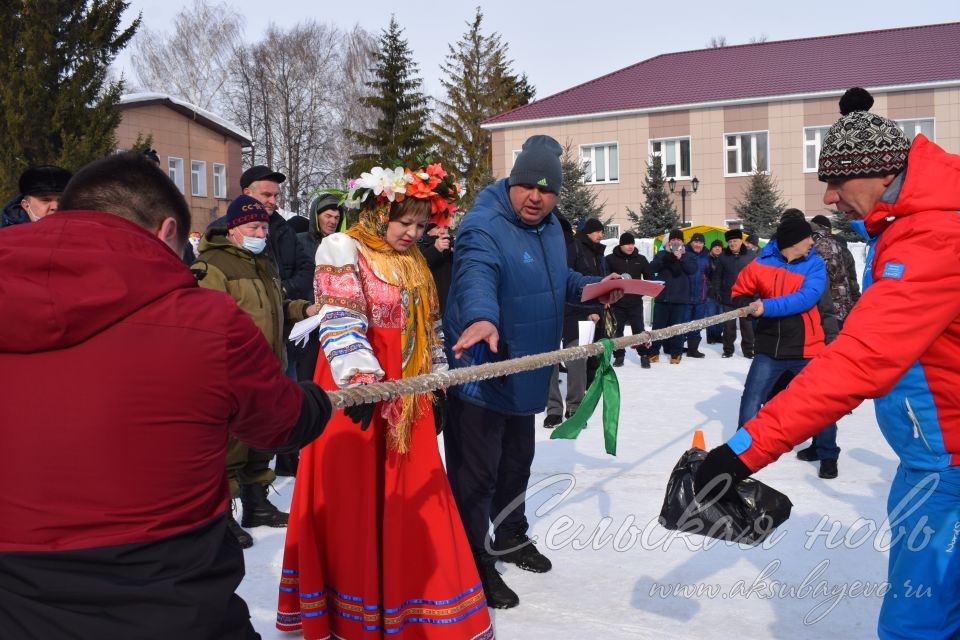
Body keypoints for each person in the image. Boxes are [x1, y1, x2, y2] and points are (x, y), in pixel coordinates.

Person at [0, 151, 332, 639]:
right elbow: (278, 422)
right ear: (165, 231)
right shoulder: (207, 321)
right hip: (166, 590)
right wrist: (317, 401)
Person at [694, 86, 960, 639]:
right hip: (932, 455)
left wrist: (741, 452)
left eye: (836, 181)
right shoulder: (916, 217)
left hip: (948, 465)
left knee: (918, 621)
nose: (831, 197)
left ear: (878, 173)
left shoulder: (933, 236)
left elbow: (859, 362)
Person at [276, 162, 494, 639]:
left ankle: (415, 601)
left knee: (415, 493)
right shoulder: (343, 247)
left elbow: (428, 323)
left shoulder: (414, 260)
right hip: (358, 385)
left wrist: (436, 376)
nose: (413, 232)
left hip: (406, 393)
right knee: (354, 498)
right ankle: (352, 604)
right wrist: (360, 379)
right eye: (405, 222)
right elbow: (339, 315)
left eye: (421, 224)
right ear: (379, 211)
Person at [443, 134, 621, 609]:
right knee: (475, 475)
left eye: (547, 191)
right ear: (512, 182)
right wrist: (482, 315)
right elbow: (475, 275)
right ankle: (473, 559)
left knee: (516, 465)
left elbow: (557, 283)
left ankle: (511, 535)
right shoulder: (483, 225)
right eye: (527, 187)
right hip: (483, 373)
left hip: (525, 373)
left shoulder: (549, 230)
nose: (536, 198)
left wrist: (596, 287)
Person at [193, 195, 317, 547]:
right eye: (252, 227)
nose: (260, 232)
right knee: (230, 446)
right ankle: (222, 516)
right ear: (232, 230)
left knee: (262, 439)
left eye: (263, 226)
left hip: (268, 369)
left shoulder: (262, 260)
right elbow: (205, 320)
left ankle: (257, 503)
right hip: (233, 373)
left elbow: (275, 304)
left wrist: (305, 309)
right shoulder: (213, 265)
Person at [730, 215, 840, 478]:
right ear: (793, 242)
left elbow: (805, 299)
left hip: (807, 347)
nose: (812, 241)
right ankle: (740, 453)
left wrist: (764, 307)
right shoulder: (760, 264)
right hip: (769, 347)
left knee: (820, 404)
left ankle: (826, 453)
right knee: (752, 399)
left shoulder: (814, 265)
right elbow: (739, 290)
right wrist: (744, 303)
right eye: (807, 238)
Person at [545, 216, 607, 423]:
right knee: (549, 361)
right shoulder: (538, 247)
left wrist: (594, 307)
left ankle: (575, 407)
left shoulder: (578, 247)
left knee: (578, 359)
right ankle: (553, 409)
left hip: (578, 309)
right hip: (548, 312)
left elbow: (585, 278)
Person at [605, 231, 653, 368]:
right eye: (627, 244)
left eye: (632, 243)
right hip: (616, 303)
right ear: (620, 245)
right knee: (617, 330)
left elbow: (649, 278)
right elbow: (604, 280)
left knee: (639, 329)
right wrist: (607, 299)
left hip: (635, 303)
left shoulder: (641, 259)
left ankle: (644, 355)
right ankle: (619, 356)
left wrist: (644, 291)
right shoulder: (610, 259)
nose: (630, 246)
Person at [649, 229, 697, 364]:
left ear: (683, 242)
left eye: (679, 240)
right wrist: (666, 255)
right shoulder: (662, 254)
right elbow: (652, 268)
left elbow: (692, 270)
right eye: (673, 240)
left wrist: (681, 257)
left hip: (680, 298)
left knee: (677, 328)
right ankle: (653, 353)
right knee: (658, 327)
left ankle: (676, 354)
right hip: (662, 297)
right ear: (669, 242)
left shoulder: (688, 255)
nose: (676, 242)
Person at [712, 229, 756, 358]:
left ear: (741, 241)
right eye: (730, 241)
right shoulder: (723, 256)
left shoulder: (750, 256)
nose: (732, 244)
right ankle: (728, 350)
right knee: (728, 326)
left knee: (746, 326)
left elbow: (756, 276)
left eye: (735, 241)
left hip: (746, 296)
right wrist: (717, 291)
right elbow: (717, 276)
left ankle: (748, 351)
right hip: (728, 297)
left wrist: (756, 293)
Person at [1, 165, 72, 227]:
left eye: (61, 200)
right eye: (46, 200)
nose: (55, 207)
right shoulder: (6, 237)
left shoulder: (78, 230)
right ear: (26, 205)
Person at [684, 232, 712, 358]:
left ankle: (693, 349)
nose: (698, 245)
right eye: (695, 242)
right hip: (685, 297)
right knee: (683, 324)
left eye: (700, 242)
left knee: (697, 324)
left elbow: (710, 274)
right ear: (691, 242)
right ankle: (677, 348)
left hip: (701, 297)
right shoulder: (684, 253)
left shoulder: (707, 256)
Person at [418, 221, 454, 313]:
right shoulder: (419, 244)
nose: (442, 231)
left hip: (452, 307)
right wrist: (435, 249)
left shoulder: (453, 245)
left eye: (445, 227)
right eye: (438, 228)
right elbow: (417, 266)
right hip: (429, 307)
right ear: (428, 231)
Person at [705, 239, 725, 344]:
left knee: (721, 315)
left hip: (722, 293)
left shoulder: (725, 259)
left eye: (719, 247)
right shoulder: (707, 259)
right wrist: (710, 287)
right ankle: (711, 336)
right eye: (715, 246)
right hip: (710, 293)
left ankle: (718, 335)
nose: (717, 248)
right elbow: (705, 276)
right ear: (711, 248)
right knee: (711, 314)